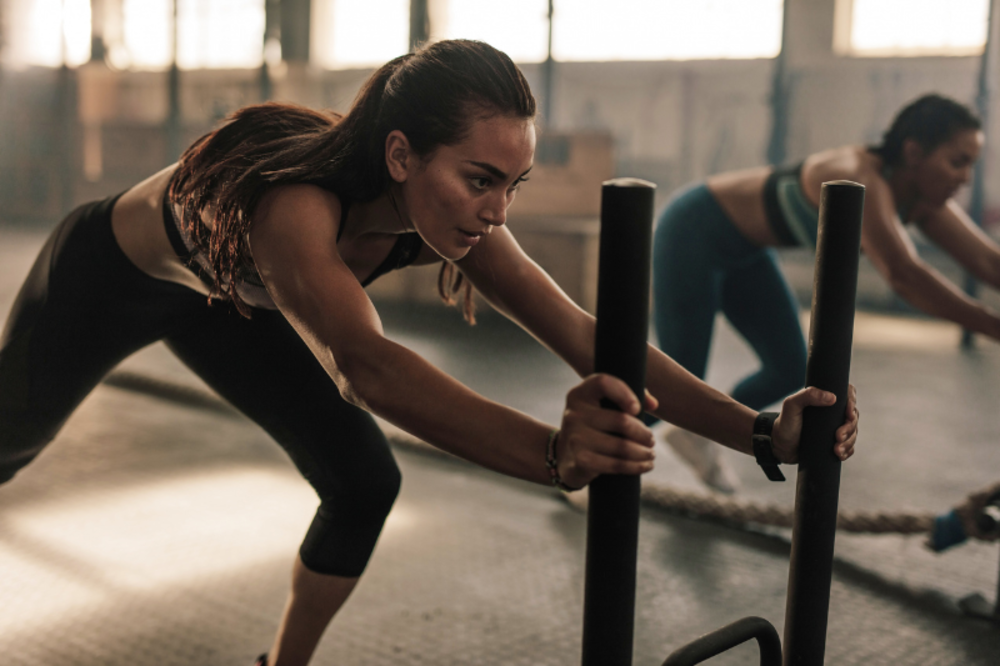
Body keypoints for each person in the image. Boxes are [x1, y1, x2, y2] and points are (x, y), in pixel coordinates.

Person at [0, 40, 858, 666]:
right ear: (400, 154)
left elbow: (590, 336)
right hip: (108, 275)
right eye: (479, 179)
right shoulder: (296, 207)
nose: (496, 211)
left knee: (364, 482)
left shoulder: (451, 216)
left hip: (235, 304)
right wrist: (554, 454)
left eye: (510, 187)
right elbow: (363, 366)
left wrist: (757, 433)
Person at [650, 93, 985, 495]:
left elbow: (991, 264)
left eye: (971, 164)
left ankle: (701, 431)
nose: (965, 178)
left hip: (747, 253)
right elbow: (904, 274)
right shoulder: (859, 173)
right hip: (692, 231)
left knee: (790, 367)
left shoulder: (921, 200)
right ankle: (594, 467)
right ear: (913, 152)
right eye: (957, 161)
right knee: (678, 382)